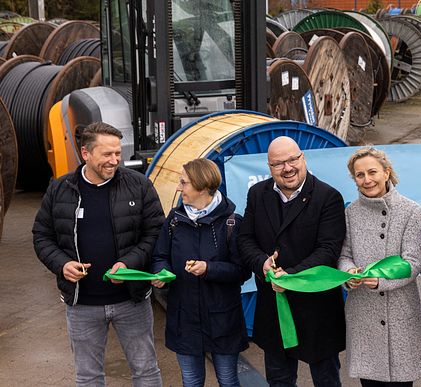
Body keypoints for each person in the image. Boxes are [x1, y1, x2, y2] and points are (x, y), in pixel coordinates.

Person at [32, 121, 164, 386]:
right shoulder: (60, 190)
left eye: (118, 153)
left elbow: (156, 234)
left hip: (132, 302)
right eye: (107, 154)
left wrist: (129, 264)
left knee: (146, 370)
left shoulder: (138, 185)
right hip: (82, 305)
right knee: (88, 377)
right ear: (85, 154)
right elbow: (42, 236)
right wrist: (62, 264)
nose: (115, 160)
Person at [236, 136, 346, 387]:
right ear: (269, 167)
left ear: (303, 158)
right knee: (279, 379)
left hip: (317, 306)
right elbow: (245, 240)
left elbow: (328, 250)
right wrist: (262, 263)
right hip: (274, 304)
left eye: (293, 159)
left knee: (326, 379)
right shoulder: (257, 194)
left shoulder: (328, 197)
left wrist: (292, 277)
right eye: (278, 164)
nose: (287, 168)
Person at [151, 158, 250, 387]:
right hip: (184, 319)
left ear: (203, 187)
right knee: (191, 381)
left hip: (222, 320)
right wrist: (161, 274)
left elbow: (243, 271)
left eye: (183, 183)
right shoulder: (174, 220)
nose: (178, 188)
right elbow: (160, 256)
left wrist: (209, 269)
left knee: (227, 379)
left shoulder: (232, 223)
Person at [338, 147, 421, 387]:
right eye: (360, 175)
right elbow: (344, 255)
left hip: (400, 315)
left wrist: (381, 280)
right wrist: (349, 273)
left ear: (386, 172)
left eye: (372, 172)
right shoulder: (350, 213)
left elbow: (413, 262)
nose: (367, 180)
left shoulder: (411, 211)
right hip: (364, 315)